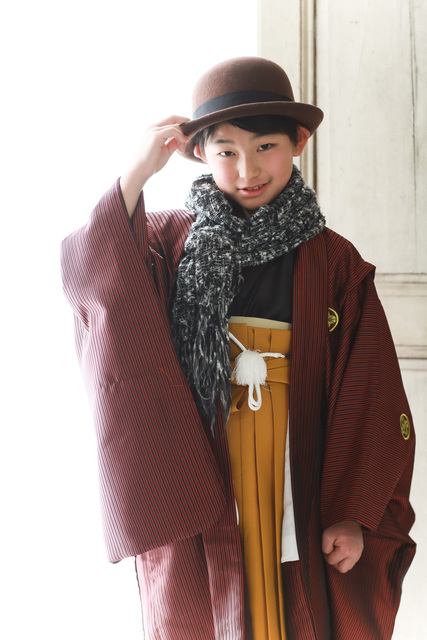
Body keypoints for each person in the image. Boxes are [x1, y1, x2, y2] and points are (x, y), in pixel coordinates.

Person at [61, 57, 416, 640]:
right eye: (226, 150)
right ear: (200, 152)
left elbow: (369, 391)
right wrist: (136, 173)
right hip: (200, 461)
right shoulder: (169, 241)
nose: (248, 169)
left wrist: (353, 511)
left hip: (299, 461)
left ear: (298, 143)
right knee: (205, 607)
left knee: (298, 598)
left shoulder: (334, 260)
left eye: (265, 147)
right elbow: (99, 274)